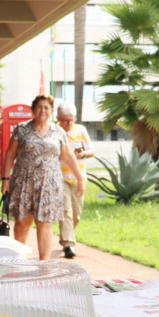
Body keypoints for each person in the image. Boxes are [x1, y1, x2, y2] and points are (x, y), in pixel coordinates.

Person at [0, 95, 85, 260]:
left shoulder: (58, 131)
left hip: (49, 185)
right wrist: (5, 179)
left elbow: (68, 156)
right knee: (22, 223)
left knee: (45, 223)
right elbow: (10, 155)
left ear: (52, 111)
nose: (43, 111)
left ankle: (44, 265)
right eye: (39, 107)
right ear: (32, 110)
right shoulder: (21, 129)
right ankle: (18, 261)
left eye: (46, 108)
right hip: (23, 182)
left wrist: (80, 178)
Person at [56, 102, 94, 259]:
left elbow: (91, 150)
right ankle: (68, 245)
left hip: (78, 178)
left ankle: (66, 235)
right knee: (66, 212)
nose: (68, 124)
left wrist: (82, 154)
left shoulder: (81, 130)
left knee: (76, 214)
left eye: (71, 120)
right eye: (64, 120)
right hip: (60, 178)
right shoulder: (55, 132)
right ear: (58, 118)